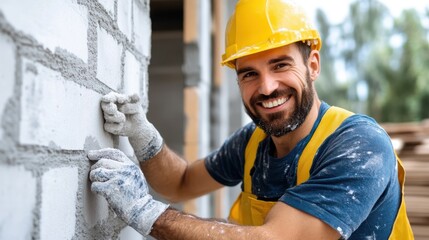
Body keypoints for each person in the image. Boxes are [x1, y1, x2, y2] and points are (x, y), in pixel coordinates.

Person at [88, 0, 414, 239]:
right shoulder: (253, 143)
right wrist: (143, 136)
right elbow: (181, 182)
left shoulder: (359, 146)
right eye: (249, 73)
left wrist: (145, 213)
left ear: (312, 65)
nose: (267, 87)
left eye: (280, 65)